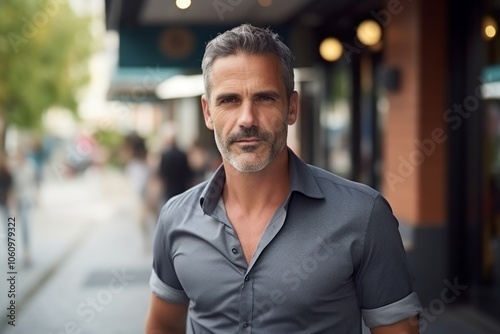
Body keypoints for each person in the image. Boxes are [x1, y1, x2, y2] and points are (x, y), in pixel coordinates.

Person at [145, 24, 422, 334]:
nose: (247, 119)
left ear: (292, 107)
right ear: (208, 112)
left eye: (264, 98)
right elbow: (163, 326)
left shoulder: (364, 215)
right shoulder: (176, 218)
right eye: (229, 100)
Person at [157, 129, 193, 203]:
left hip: (169, 190)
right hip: (182, 189)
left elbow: (161, 174)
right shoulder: (182, 154)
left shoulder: (165, 155)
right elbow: (188, 173)